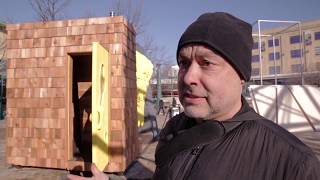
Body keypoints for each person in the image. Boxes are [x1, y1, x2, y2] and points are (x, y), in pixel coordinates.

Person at [68, 12, 320, 180]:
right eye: (184, 62)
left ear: (241, 75)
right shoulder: (175, 128)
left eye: (206, 63)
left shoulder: (293, 164)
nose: (188, 76)